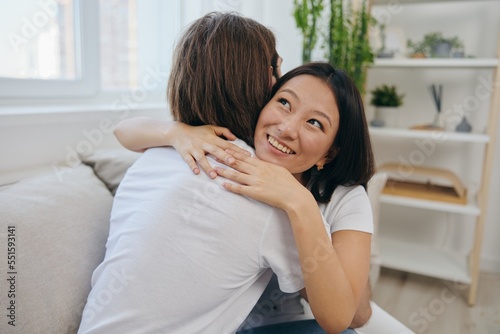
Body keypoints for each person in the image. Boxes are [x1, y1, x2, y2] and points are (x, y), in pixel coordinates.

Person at [79, 12, 372, 334]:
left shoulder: (156, 156)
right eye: (283, 97)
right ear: (257, 86)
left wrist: (299, 201)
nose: (288, 127)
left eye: (315, 122)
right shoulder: (251, 189)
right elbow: (339, 319)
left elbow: (353, 311)